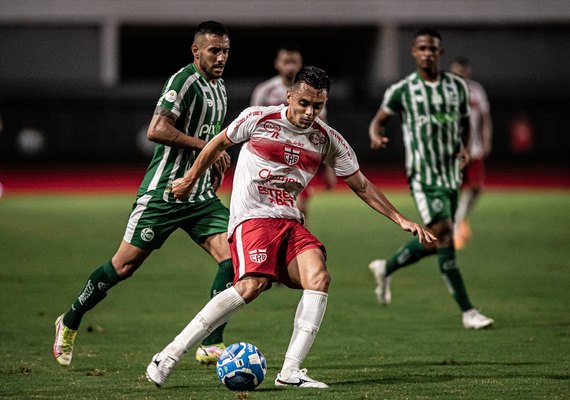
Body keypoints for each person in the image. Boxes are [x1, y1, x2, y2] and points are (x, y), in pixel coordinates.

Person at [146, 66, 435, 389]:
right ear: (289, 96)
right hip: (252, 218)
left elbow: (362, 185)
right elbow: (217, 143)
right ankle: (168, 355)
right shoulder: (259, 118)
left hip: (289, 221)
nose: (310, 112)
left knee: (319, 277)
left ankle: (290, 372)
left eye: (318, 105)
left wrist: (400, 219)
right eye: (304, 103)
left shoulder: (326, 139)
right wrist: (189, 179)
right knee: (251, 286)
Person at [53, 21, 234, 367]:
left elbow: (208, 137)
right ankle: (71, 318)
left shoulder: (220, 88)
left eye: (226, 50)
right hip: (163, 194)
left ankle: (211, 343)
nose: (221, 57)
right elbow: (157, 128)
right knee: (123, 266)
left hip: (198, 197)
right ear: (196, 51)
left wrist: (212, 163)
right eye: (215, 50)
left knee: (234, 258)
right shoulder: (182, 82)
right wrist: (207, 147)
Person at [367, 29, 494, 330]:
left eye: (433, 49)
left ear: (440, 53)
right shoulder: (403, 90)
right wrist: (376, 136)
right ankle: (468, 311)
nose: (427, 53)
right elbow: (379, 120)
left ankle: (386, 267)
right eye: (422, 48)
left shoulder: (458, 89)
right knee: (443, 233)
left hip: (452, 173)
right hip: (423, 175)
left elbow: (465, 124)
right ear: (413, 52)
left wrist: (464, 147)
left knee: (441, 238)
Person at [250, 44, 336, 221]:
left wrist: (328, 168)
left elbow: (323, 132)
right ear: (277, 64)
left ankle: (297, 246)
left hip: (300, 159)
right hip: (268, 161)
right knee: (265, 211)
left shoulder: (313, 92)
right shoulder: (264, 91)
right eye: (286, 62)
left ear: (301, 64)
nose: (290, 66)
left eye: (294, 62)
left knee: (298, 212)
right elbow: (250, 126)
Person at [449, 57, 493, 249]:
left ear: (468, 72)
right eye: (456, 72)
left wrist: (486, 139)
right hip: (452, 149)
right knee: (453, 189)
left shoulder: (476, 90)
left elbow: (485, 118)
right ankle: (455, 227)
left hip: (473, 148)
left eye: (462, 72)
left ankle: (460, 220)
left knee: (476, 187)